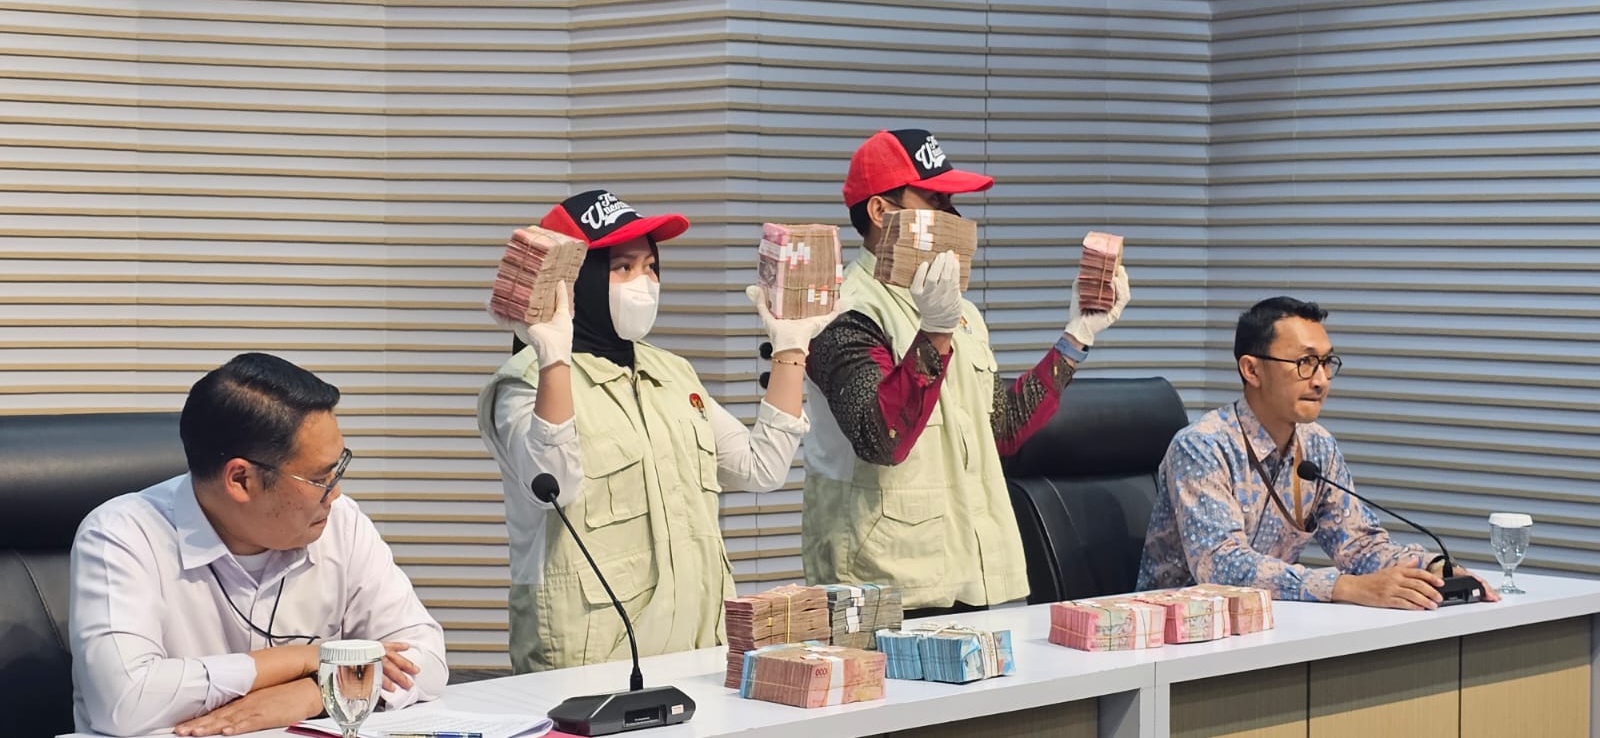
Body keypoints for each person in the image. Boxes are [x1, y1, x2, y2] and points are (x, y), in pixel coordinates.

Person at [478, 190, 841, 672]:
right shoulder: (522, 384)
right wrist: (554, 360)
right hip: (592, 661)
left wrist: (791, 349)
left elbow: (762, 468)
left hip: (698, 648)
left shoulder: (673, 374)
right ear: (574, 282)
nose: (644, 283)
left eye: (651, 266)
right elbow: (555, 486)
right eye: (622, 267)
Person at [802, 129, 1131, 616]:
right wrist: (934, 334)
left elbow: (1002, 426)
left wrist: (1076, 337)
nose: (952, 217)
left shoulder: (961, 312)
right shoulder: (845, 313)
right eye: (935, 201)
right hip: (889, 585)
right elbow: (880, 437)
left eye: (952, 202)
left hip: (981, 574)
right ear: (881, 211)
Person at [69, 353, 447, 737]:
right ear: (241, 480)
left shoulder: (341, 523)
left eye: (338, 469)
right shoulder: (122, 535)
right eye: (320, 479)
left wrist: (318, 691)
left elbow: (426, 657)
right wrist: (304, 659)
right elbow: (124, 701)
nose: (335, 493)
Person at [1137, 296, 1499, 609]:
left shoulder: (1317, 445)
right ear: (1252, 370)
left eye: (1326, 362)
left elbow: (1358, 546)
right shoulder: (1202, 447)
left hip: (1270, 626)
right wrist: (1345, 587)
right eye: (1305, 363)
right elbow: (1221, 567)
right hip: (1174, 635)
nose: (1321, 380)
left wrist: (1432, 568)